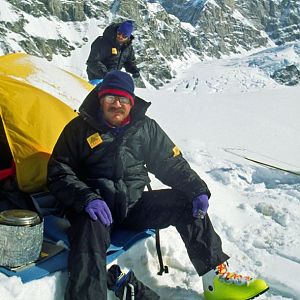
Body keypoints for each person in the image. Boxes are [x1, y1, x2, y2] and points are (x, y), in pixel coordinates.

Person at [47, 70, 269, 300]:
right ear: (101, 98)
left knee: (186, 203)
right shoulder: (78, 129)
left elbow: (169, 163)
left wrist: (197, 189)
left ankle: (216, 281)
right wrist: (86, 198)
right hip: (96, 211)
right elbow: (58, 171)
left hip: (133, 206)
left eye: (124, 99)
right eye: (111, 98)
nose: (117, 105)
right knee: (87, 236)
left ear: (131, 103)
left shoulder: (145, 127)